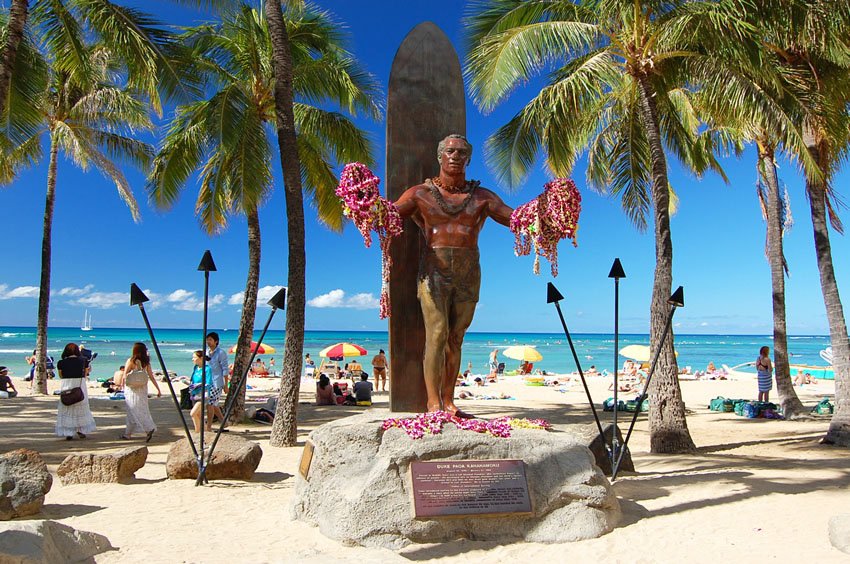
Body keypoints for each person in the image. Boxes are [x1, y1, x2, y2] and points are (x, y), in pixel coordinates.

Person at [394, 135, 514, 416]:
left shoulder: (482, 197)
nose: (456, 156)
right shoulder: (419, 194)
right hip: (434, 268)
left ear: (469, 159)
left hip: (469, 268)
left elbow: (513, 217)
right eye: (450, 151)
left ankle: (448, 400)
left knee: (456, 337)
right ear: (440, 156)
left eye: (462, 152)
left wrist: (545, 211)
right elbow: (388, 215)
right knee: (436, 333)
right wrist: (362, 202)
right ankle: (433, 402)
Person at [119, 342, 161, 441]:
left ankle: (130, 434)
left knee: (131, 410)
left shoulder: (131, 360)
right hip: (142, 389)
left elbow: (125, 375)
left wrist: (121, 385)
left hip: (132, 389)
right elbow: (151, 376)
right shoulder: (146, 362)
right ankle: (146, 430)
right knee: (142, 409)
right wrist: (158, 389)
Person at [55, 343, 96, 440]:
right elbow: (85, 374)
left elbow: (61, 376)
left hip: (67, 384)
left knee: (68, 405)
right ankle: (81, 430)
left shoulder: (61, 362)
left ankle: (69, 432)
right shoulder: (83, 361)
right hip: (79, 385)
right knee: (80, 406)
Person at [205, 332, 228, 427]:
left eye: (210, 340)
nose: (208, 342)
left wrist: (226, 385)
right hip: (208, 382)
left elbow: (225, 369)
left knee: (210, 404)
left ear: (216, 341)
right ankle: (224, 422)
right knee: (213, 404)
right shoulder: (206, 352)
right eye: (207, 340)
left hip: (217, 382)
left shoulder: (221, 353)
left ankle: (209, 426)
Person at [189, 350, 214, 433]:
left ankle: (197, 432)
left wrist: (199, 385)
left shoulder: (207, 369)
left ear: (201, 358)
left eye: (194, 357)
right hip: (194, 394)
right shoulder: (196, 368)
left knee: (193, 413)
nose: (193, 359)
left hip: (203, 394)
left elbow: (209, 382)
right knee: (199, 415)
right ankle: (205, 431)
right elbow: (193, 379)